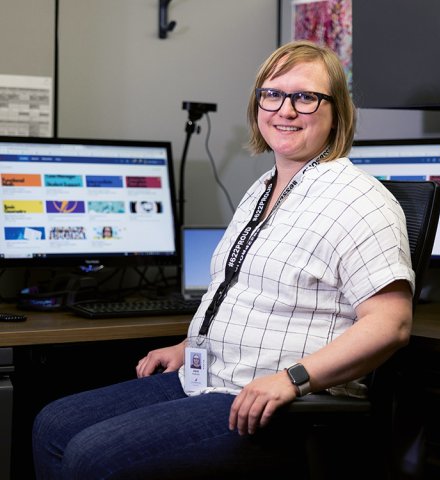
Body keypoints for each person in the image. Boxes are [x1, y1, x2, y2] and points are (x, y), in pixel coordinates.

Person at [32, 40, 414, 479]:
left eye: (306, 97)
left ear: (337, 111)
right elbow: (248, 297)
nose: (285, 110)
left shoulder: (360, 199)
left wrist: (291, 379)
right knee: (53, 425)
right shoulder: (264, 188)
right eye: (272, 94)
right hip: (211, 377)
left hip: (281, 402)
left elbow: (391, 325)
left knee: (92, 455)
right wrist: (189, 347)